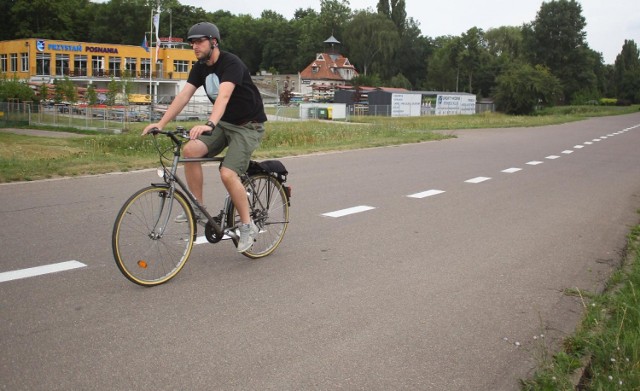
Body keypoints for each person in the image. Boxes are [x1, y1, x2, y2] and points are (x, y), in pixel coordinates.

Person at [142, 22, 267, 253]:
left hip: (248, 125)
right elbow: (183, 97)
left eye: (199, 41)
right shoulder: (200, 67)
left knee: (228, 173)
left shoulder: (231, 63)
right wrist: (160, 123)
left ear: (214, 42)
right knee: (190, 150)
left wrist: (209, 123)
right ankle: (198, 207)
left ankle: (248, 226)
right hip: (224, 124)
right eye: (192, 42)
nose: (195, 46)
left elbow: (224, 96)